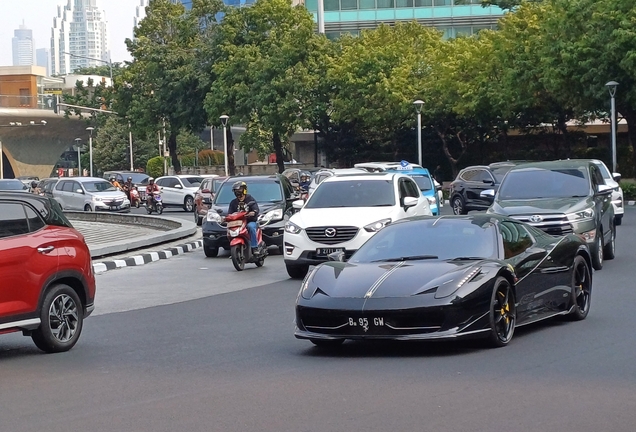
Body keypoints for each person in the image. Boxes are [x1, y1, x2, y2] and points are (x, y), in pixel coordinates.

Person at [228, 181, 260, 254]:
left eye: (239, 190)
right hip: (238, 223)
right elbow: (230, 214)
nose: (238, 192)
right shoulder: (233, 202)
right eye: (236, 191)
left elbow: (256, 209)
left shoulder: (250, 199)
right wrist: (224, 219)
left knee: (251, 227)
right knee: (229, 231)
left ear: (244, 189)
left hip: (250, 221)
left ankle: (255, 247)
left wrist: (253, 212)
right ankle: (234, 250)